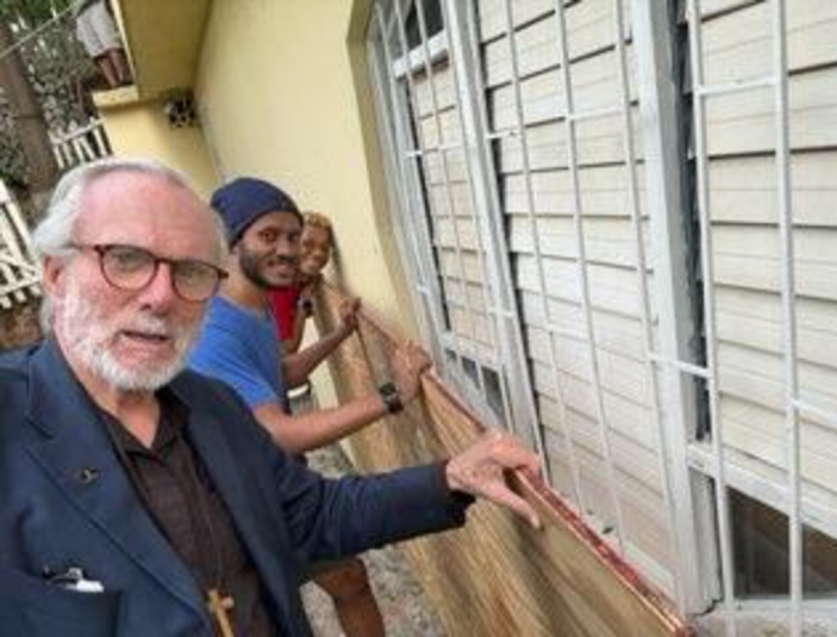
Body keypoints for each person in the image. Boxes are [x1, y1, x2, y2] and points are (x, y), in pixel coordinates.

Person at [0, 157, 541, 636]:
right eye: (126, 259)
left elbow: (311, 514)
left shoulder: (212, 407)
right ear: (56, 274)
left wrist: (449, 476)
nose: (161, 296)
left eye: (190, 270)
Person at [189, 180, 403, 635]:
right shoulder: (214, 331)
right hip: (241, 505)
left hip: (273, 483)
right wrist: (391, 395)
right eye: (269, 236)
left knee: (348, 579)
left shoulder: (254, 304)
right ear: (229, 243)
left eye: (293, 236)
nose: (288, 249)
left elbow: (281, 374)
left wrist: (340, 335)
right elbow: (277, 433)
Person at [269, 211, 333, 355]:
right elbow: (288, 349)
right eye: (307, 244)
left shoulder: (301, 277)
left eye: (324, 248)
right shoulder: (279, 286)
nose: (318, 253)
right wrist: (304, 303)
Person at [74, 0, 131, 89]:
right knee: (96, 51)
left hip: (96, 3)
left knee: (110, 42)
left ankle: (124, 79)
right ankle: (114, 84)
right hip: (78, 12)